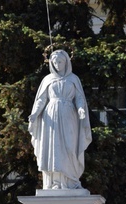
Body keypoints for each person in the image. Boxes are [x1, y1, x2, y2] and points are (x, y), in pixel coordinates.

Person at [29, 49, 91, 190]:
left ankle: (72, 180)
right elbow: (41, 99)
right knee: (53, 148)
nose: (57, 64)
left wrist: (81, 109)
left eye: (60, 62)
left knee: (70, 146)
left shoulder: (74, 79)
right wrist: (35, 114)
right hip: (51, 117)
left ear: (66, 62)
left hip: (69, 115)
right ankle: (55, 182)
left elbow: (79, 98)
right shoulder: (48, 80)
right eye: (55, 62)